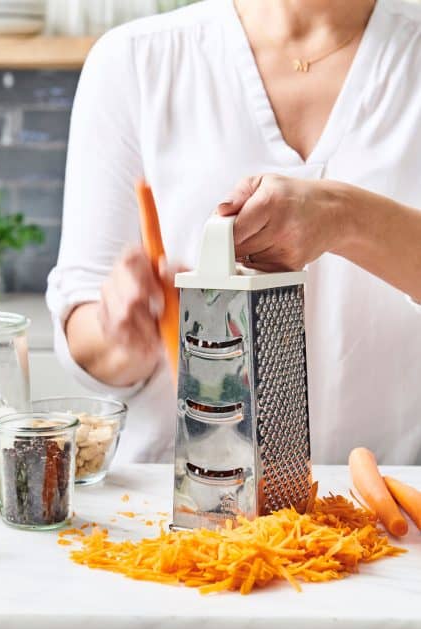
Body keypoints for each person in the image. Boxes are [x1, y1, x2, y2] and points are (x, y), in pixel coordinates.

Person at [47, 0, 421, 466]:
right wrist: (119, 331)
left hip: (397, 512)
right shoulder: (135, 61)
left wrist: (345, 217)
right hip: (169, 515)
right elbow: (85, 332)